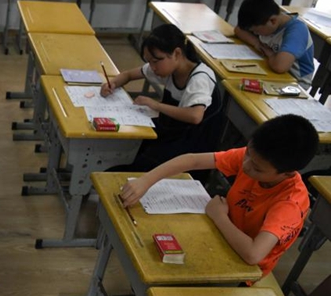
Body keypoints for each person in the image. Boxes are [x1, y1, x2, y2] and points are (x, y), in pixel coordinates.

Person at [120, 114, 319, 279]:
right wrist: (145, 181)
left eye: (257, 168)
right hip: (219, 233)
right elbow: (193, 160)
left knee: (164, 265)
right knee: (152, 239)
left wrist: (219, 216)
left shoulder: (289, 203)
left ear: (287, 173)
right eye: (248, 153)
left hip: (242, 269)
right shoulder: (258, 157)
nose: (246, 165)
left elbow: (253, 255)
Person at [101, 24, 222, 172]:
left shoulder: (200, 78)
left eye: (155, 61)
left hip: (191, 145)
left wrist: (155, 105)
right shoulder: (169, 67)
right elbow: (128, 75)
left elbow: (195, 116)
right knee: (128, 144)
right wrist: (112, 83)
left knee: (139, 163)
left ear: (177, 54)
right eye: (149, 62)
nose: (152, 67)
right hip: (172, 130)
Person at [234, 0, 314, 90]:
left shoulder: (297, 31)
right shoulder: (267, 23)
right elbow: (239, 30)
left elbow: (280, 66)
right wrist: (258, 44)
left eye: (256, 31)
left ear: (273, 21)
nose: (255, 33)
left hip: (295, 84)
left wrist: (270, 54)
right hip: (271, 70)